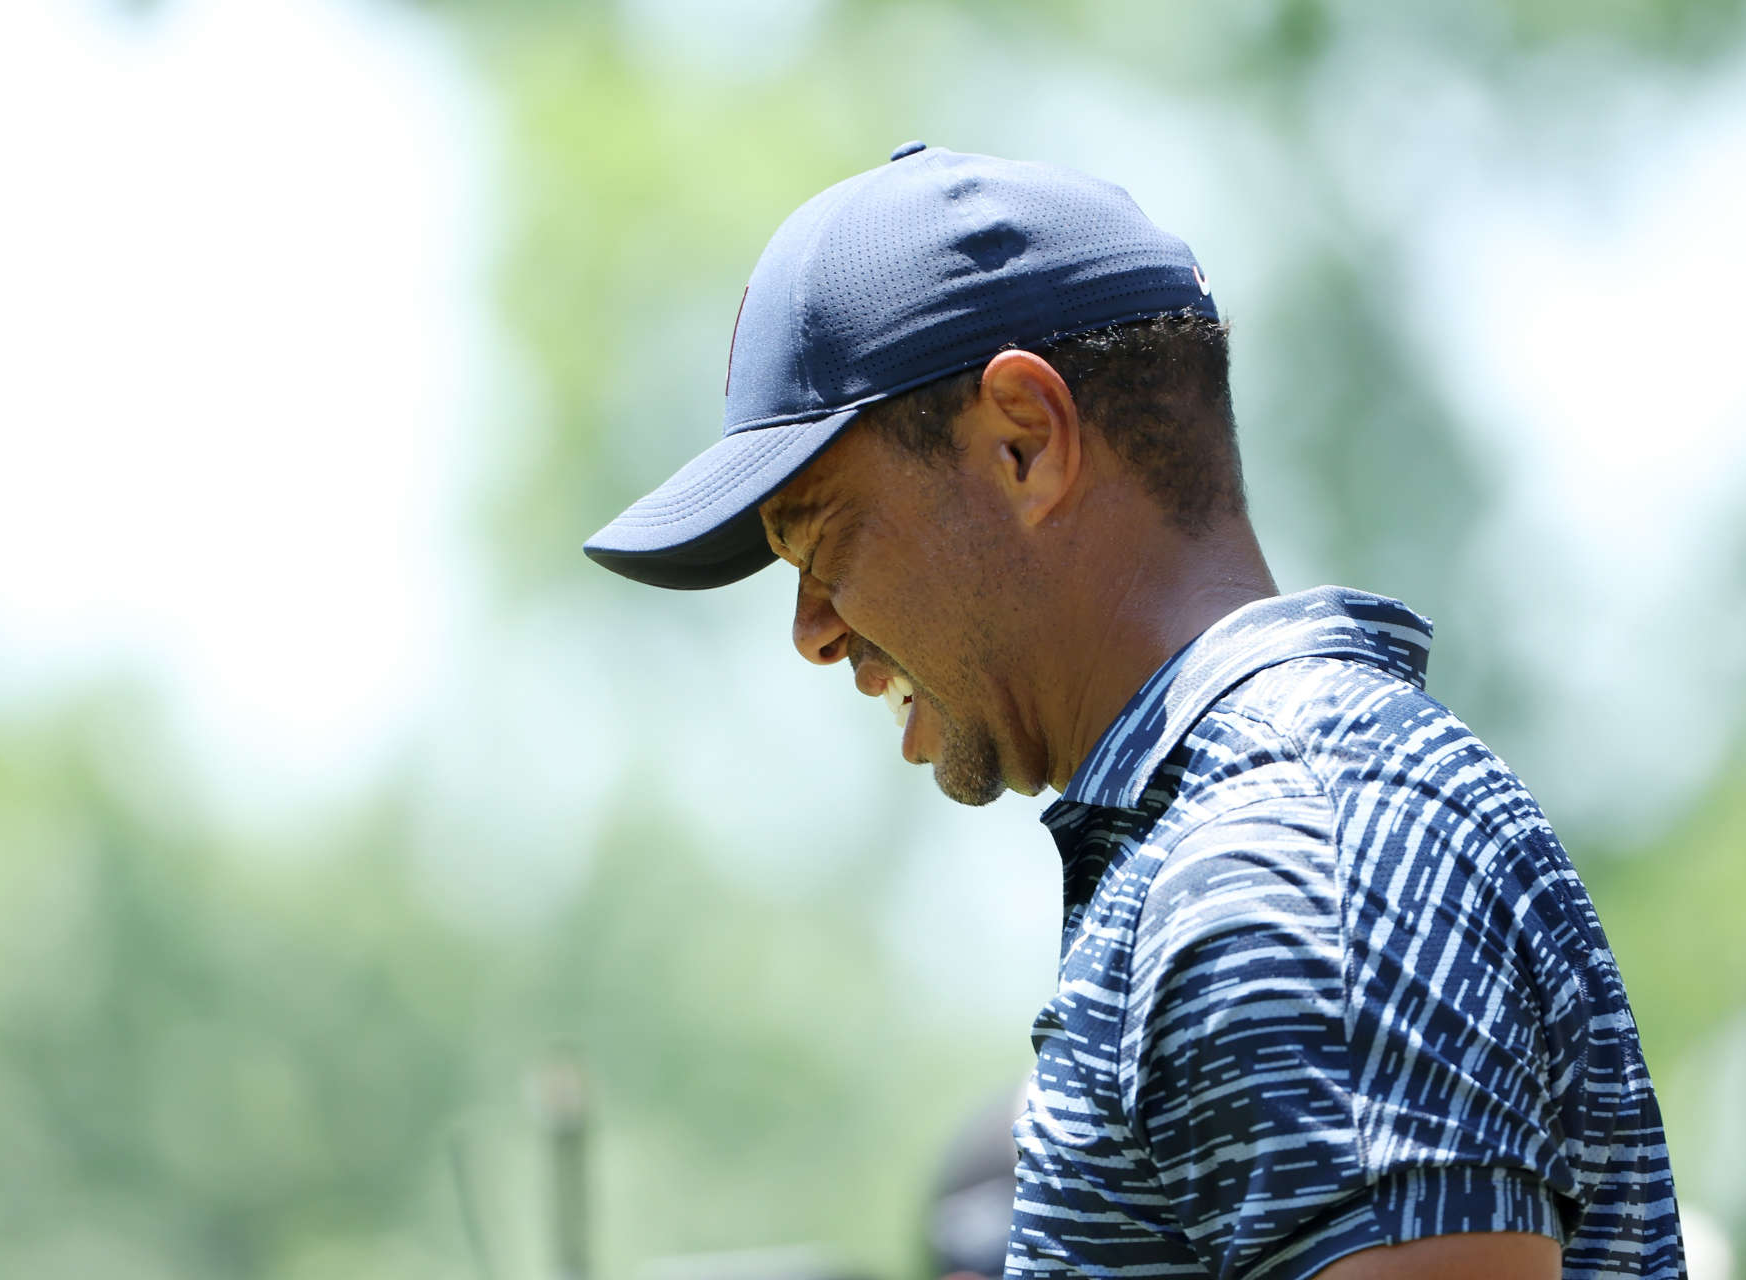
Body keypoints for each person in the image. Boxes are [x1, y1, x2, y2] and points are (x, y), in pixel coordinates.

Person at [583, 143, 1685, 1278]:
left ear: (1025, 439)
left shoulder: (1275, 862)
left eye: (821, 535)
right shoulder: (1268, 832)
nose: (812, 628)